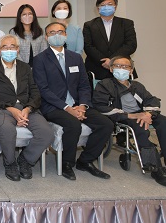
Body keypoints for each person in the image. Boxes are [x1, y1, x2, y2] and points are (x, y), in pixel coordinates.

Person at [32, 22, 112, 180]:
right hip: (53, 106)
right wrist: (68, 108)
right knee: (73, 124)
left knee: (106, 124)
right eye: (52, 32)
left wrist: (82, 105)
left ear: (66, 35)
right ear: (46, 37)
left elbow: (83, 84)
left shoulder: (75, 57)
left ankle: (86, 160)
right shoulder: (40, 59)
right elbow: (43, 89)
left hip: (78, 104)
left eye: (60, 32)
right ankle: (67, 163)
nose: (57, 35)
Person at [93, 56, 166, 188]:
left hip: (142, 114)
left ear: (131, 70)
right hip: (125, 117)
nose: (122, 69)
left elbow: (152, 100)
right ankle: (156, 169)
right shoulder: (105, 84)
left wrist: (148, 114)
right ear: (112, 69)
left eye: (126, 66)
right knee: (141, 128)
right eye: (118, 66)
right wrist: (131, 115)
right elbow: (100, 106)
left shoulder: (137, 86)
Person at [0, 34, 53, 182]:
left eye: (12, 47)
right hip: (1, 108)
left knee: (46, 133)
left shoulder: (25, 68)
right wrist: (11, 109)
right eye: (5, 47)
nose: (9, 50)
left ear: (18, 49)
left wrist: (28, 109)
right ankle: (10, 163)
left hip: (27, 108)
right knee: (7, 129)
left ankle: (26, 160)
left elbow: (35, 91)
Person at [83, 0, 137, 80]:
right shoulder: (89, 25)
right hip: (97, 69)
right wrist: (104, 61)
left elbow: (131, 45)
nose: (106, 7)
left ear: (115, 7)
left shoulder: (126, 23)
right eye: (103, 5)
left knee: (125, 93)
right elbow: (88, 46)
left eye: (109, 4)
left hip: (121, 69)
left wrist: (112, 61)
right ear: (98, 8)